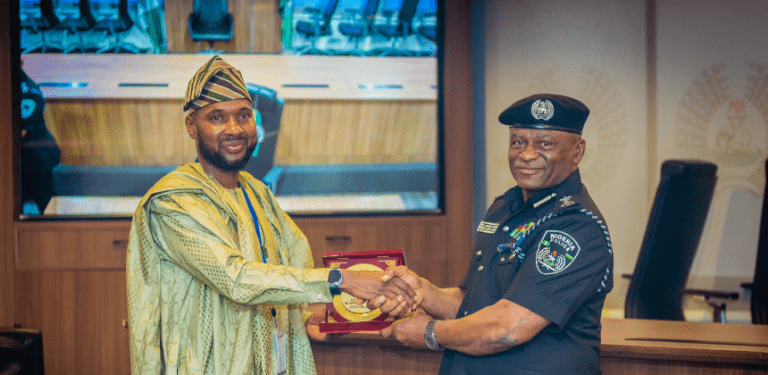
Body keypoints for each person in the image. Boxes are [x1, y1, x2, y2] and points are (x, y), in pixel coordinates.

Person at [126, 55, 417, 375]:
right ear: (191, 127)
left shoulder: (257, 192)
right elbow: (236, 278)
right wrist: (342, 280)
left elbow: (294, 259)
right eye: (217, 118)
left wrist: (311, 313)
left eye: (244, 115)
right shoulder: (173, 202)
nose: (234, 129)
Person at [374, 94, 614, 374]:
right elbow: (475, 306)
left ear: (577, 152)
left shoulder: (576, 226)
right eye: (518, 142)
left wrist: (430, 333)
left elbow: (507, 328)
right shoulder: (505, 207)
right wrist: (423, 291)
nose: (526, 154)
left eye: (545, 144)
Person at [19, 62, 61, 215]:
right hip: (19, 162)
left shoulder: (29, 92)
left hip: (38, 159)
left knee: (47, 209)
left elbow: (20, 132)